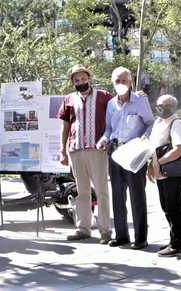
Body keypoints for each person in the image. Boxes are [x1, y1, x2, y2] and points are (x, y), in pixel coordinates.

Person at [97, 67, 154, 249]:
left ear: (130, 82)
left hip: (134, 152)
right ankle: (122, 235)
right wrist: (104, 139)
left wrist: (145, 138)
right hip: (115, 152)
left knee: (137, 196)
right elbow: (108, 129)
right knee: (117, 195)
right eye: (117, 81)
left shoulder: (140, 101)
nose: (120, 84)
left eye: (123, 80)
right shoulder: (111, 104)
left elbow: (150, 123)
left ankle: (140, 238)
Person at [57, 64, 113, 243]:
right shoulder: (69, 99)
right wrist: (63, 150)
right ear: (72, 82)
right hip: (76, 149)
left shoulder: (104, 96)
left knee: (102, 190)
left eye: (83, 78)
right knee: (81, 191)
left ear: (89, 78)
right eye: (76, 80)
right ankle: (83, 228)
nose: (80, 82)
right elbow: (65, 126)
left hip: (98, 150)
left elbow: (116, 114)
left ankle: (105, 231)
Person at [146, 95, 181, 257]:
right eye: (159, 105)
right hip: (160, 171)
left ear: (173, 107)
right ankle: (173, 239)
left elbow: (179, 148)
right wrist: (152, 163)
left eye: (165, 105)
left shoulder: (176, 123)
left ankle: (177, 244)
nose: (161, 108)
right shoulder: (158, 122)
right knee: (166, 207)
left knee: (173, 207)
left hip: (172, 172)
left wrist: (160, 162)